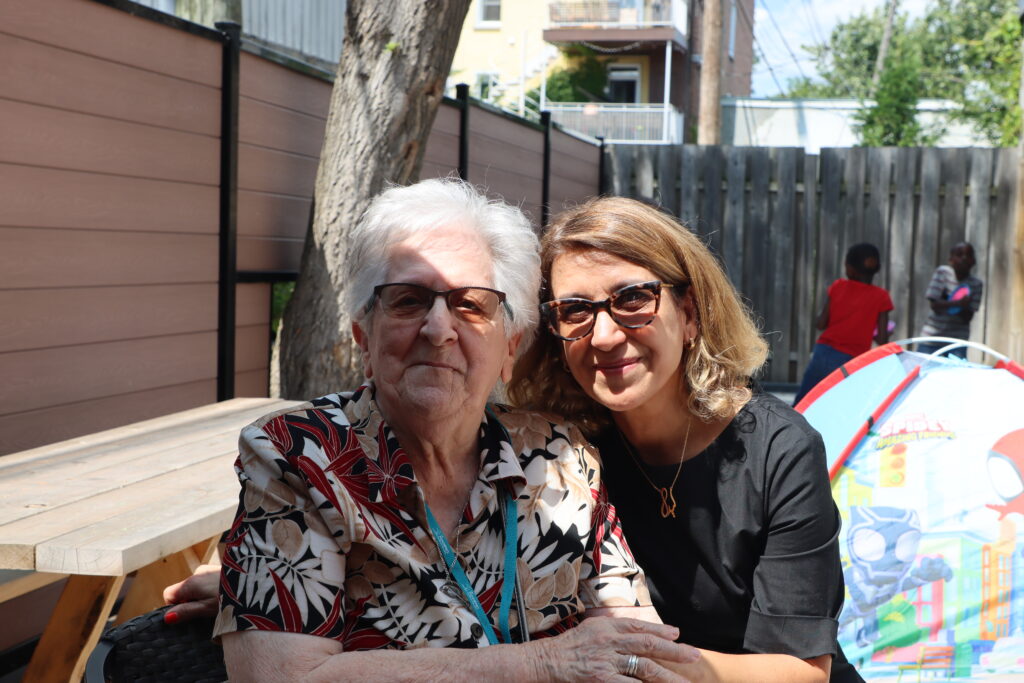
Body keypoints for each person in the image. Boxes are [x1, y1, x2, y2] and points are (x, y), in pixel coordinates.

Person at [189, 179, 699, 681]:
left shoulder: (562, 457)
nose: (437, 329)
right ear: (364, 339)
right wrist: (542, 664)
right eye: (408, 300)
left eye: (471, 304)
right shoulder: (297, 456)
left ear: (509, 349)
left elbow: (636, 645)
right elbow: (282, 676)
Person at [506, 197, 854, 682]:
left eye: (632, 299)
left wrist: (636, 661)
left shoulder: (780, 448)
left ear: (689, 312)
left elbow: (802, 670)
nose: (603, 335)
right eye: (576, 311)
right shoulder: (557, 452)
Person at [793, 243, 893, 406]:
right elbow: (881, 340)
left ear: (851, 268)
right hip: (852, 360)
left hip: (823, 352)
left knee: (805, 401)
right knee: (841, 404)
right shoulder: (882, 297)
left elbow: (821, 323)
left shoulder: (838, 286)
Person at [916, 241, 983, 359]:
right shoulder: (943, 273)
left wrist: (951, 302)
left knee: (956, 374)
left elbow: (968, 317)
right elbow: (934, 305)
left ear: (973, 261)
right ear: (950, 259)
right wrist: (958, 303)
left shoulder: (976, 284)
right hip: (932, 337)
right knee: (922, 370)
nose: (964, 258)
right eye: (959, 255)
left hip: (957, 341)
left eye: (968, 255)